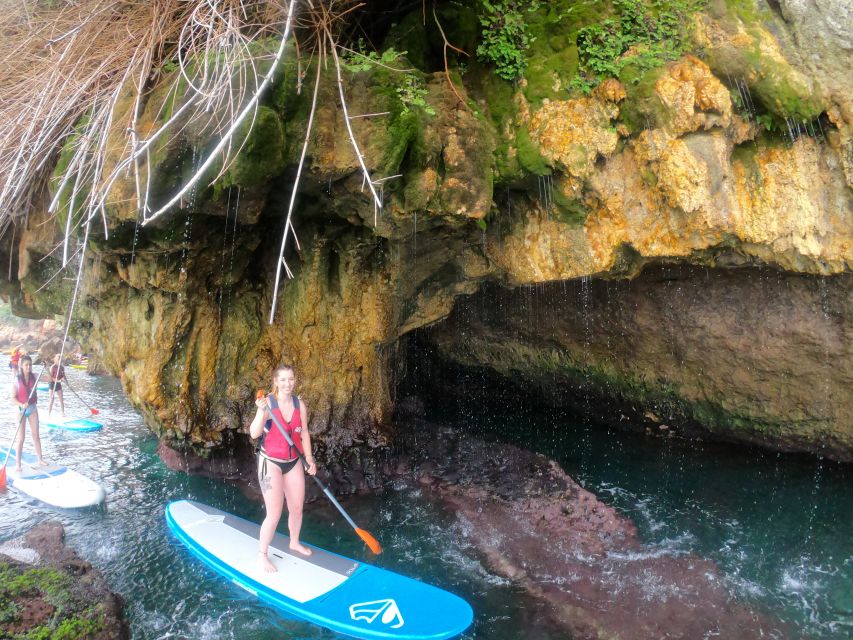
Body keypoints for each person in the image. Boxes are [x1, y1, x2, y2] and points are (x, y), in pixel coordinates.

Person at [249, 365, 317, 573]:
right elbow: (254, 433)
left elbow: (304, 433)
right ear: (276, 382)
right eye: (284, 380)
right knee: (275, 512)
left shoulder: (300, 404)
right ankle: (262, 555)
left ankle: (294, 542)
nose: (288, 384)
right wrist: (261, 412)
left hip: (294, 461)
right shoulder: (268, 403)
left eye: (291, 379)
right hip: (270, 462)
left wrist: (309, 458)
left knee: (296, 507)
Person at [11, 355, 45, 471]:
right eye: (26, 365)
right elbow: (12, 398)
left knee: (36, 435)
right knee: (21, 438)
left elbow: (50, 379)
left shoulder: (35, 376)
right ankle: (18, 464)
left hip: (32, 409)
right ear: (22, 366)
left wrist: (46, 368)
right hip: (20, 411)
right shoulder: (17, 379)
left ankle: (40, 459)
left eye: (30, 365)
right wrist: (21, 404)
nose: (29, 367)